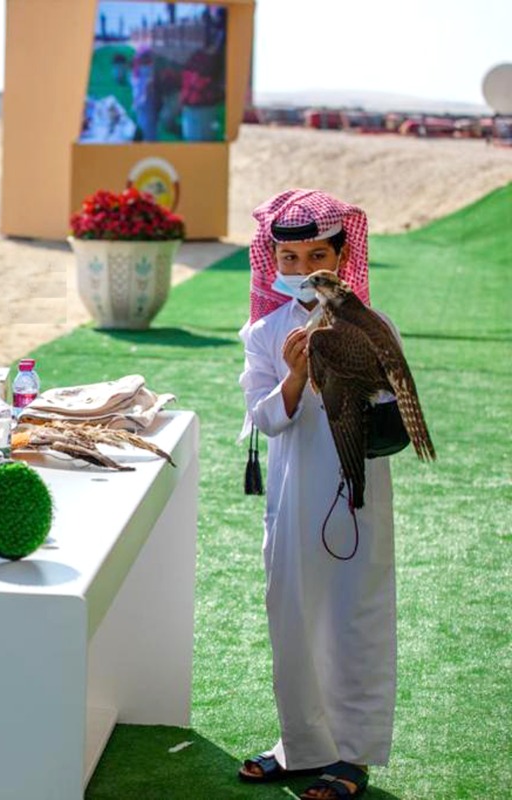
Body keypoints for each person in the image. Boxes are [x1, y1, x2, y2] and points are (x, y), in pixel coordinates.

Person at [237, 190, 395, 800]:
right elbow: (265, 419)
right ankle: (302, 747)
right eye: (289, 256)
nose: (301, 271)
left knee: (353, 616)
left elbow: (389, 417)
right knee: (292, 611)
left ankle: (352, 757)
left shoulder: (372, 326)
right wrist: (298, 373)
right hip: (290, 488)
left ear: (340, 256)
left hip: (356, 491)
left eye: (315, 256)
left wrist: (342, 364)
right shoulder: (264, 332)